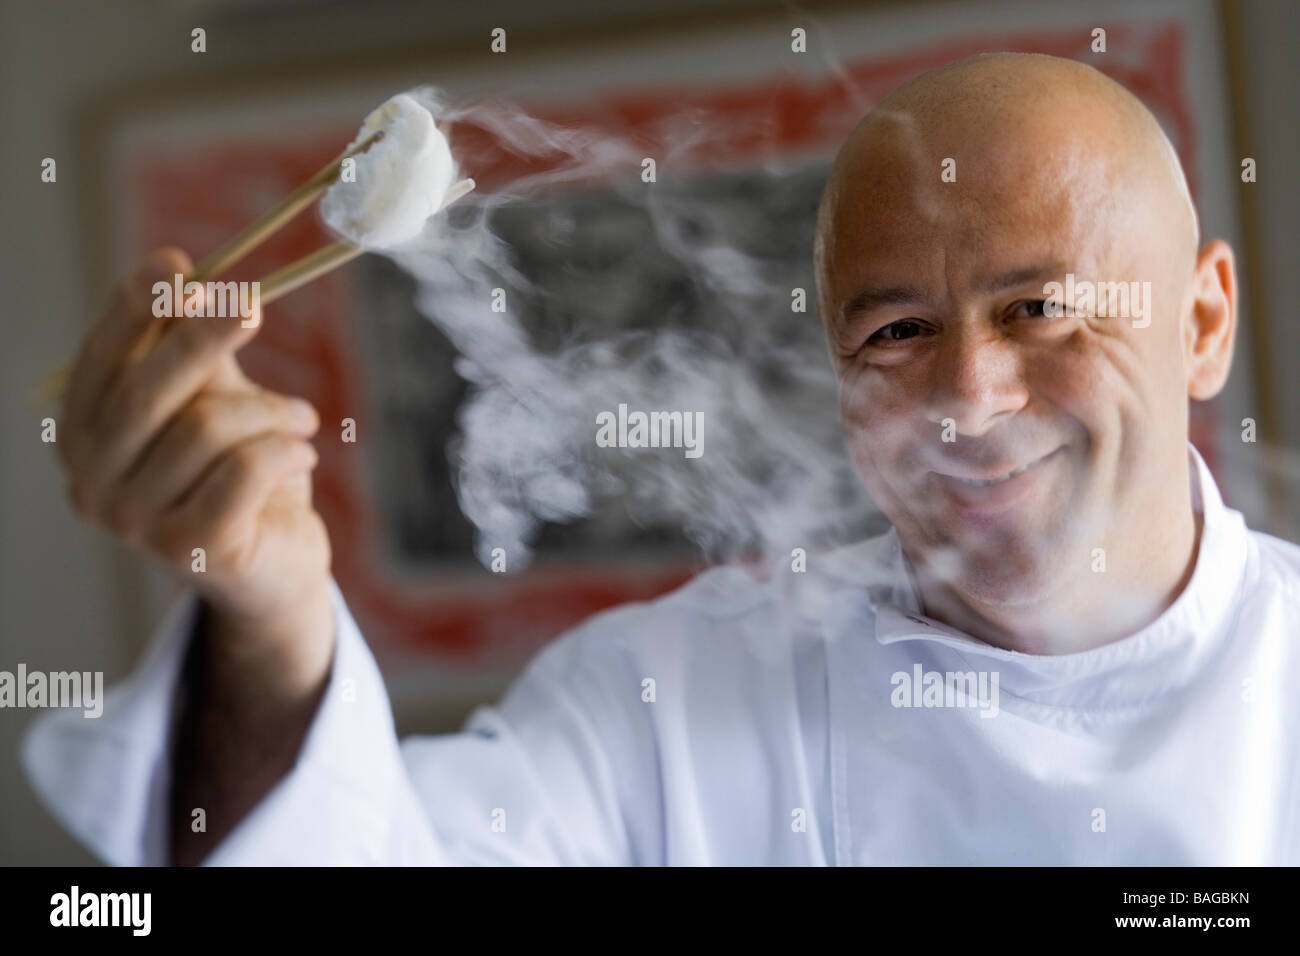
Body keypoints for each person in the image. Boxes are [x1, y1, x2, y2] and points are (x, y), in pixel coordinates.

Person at [24, 52, 1300, 865]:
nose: (968, 391)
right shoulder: (663, 693)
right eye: (898, 329)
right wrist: (270, 611)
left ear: (1200, 322)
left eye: (1039, 308)